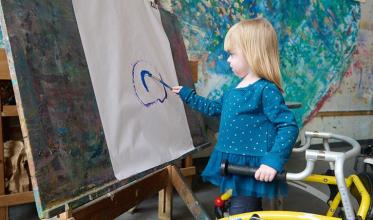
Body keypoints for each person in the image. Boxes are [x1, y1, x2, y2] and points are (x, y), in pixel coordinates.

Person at [172, 18, 299, 215]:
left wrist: (273, 160)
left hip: (250, 167)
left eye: (232, 54)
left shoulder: (265, 89)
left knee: (241, 212)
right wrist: (188, 95)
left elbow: (288, 126)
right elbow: (214, 108)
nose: (228, 60)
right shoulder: (234, 89)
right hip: (233, 163)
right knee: (242, 209)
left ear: (252, 54)